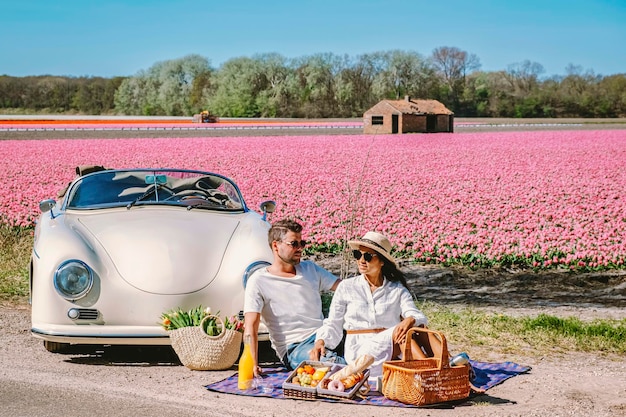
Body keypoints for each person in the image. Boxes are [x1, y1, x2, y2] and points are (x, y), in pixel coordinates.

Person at [309, 231, 431, 377]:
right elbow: (333, 323)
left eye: (367, 256)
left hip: (392, 349)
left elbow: (415, 313)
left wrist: (410, 319)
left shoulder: (396, 288)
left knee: (421, 328)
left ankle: (444, 365)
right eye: (357, 255)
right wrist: (321, 341)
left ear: (382, 261)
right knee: (401, 332)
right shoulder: (346, 287)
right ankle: (431, 373)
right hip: (361, 353)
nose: (361, 260)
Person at [243, 218, 344, 376]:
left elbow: (344, 288)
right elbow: (251, 326)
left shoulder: (310, 269)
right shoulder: (259, 280)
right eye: (293, 244)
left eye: (301, 243)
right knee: (334, 366)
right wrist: (252, 363)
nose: (300, 248)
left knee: (368, 348)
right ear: (276, 246)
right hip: (295, 347)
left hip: (325, 335)